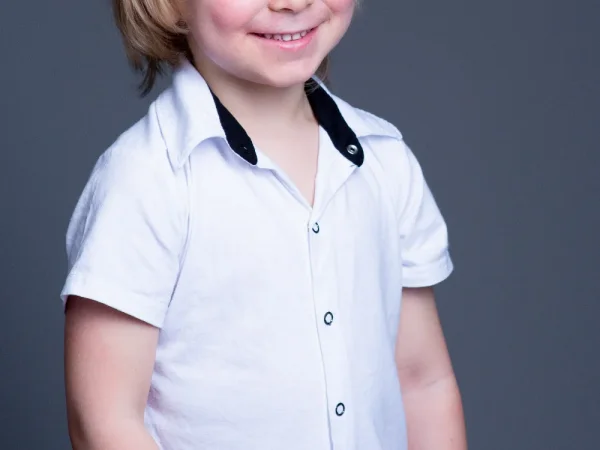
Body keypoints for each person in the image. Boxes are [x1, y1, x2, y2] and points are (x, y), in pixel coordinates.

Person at [61, 0, 467, 449]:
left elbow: (422, 382)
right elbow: (104, 422)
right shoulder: (147, 180)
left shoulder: (387, 162)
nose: (293, 2)